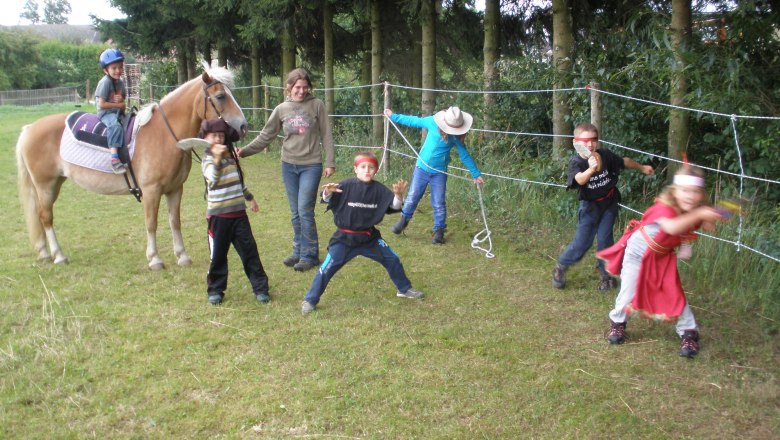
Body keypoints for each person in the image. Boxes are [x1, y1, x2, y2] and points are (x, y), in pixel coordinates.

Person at [596, 166, 726, 357]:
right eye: (685, 191)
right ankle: (618, 323)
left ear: (701, 194)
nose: (689, 196)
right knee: (628, 291)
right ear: (674, 191)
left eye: (695, 192)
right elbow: (673, 227)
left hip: (662, 257)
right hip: (637, 255)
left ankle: (689, 332)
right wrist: (700, 214)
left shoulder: (693, 210)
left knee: (674, 292)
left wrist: (715, 215)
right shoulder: (664, 207)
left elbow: (707, 226)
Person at [300, 151, 424, 315]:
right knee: (326, 268)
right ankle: (310, 299)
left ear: (376, 170)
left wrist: (399, 195)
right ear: (355, 169)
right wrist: (328, 192)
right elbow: (328, 199)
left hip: (369, 238)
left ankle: (404, 288)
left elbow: (393, 206)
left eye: (371, 167)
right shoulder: (345, 185)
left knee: (392, 259)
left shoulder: (379, 190)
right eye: (363, 167)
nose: (367, 170)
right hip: (344, 239)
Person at [238, 68, 335, 272]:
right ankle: (299, 250)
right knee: (295, 212)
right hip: (288, 165)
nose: (301, 91)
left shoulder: (317, 105)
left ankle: (310, 255)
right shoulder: (281, 109)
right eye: (297, 87)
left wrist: (330, 162)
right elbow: (266, 136)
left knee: (304, 210)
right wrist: (244, 152)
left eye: (305, 87)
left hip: (311, 164)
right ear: (289, 87)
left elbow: (326, 134)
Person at [552, 122, 655, 291]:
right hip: (590, 208)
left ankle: (606, 276)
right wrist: (591, 170)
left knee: (605, 241)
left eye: (593, 140)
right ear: (575, 143)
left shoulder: (605, 155)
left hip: (609, 204)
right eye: (584, 141)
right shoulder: (576, 163)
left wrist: (642, 167)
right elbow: (579, 180)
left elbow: (624, 161)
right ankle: (561, 266)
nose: (590, 144)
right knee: (582, 243)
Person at [384, 107, 484, 244]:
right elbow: (414, 121)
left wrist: (476, 174)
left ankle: (439, 231)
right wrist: (393, 116)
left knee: (438, 202)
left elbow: (464, 155)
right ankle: (403, 221)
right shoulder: (432, 122)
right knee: (413, 196)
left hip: (439, 173)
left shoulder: (455, 137)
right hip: (422, 169)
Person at [200, 118, 270, 305]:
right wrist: (216, 158)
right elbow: (212, 179)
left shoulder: (231, 157)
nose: (219, 139)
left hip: (239, 215)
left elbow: (238, 182)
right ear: (205, 138)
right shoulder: (207, 159)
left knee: (250, 252)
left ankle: (261, 288)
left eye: (221, 135)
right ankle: (215, 289)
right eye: (214, 135)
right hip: (218, 217)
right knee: (218, 256)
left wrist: (250, 198)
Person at [95, 48, 128, 174]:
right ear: (106, 70)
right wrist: (118, 105)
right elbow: (101, 104)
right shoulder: (105, 82)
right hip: (106, 113)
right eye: (114, 68)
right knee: (115, 126)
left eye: (120, 67)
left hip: (117, 110)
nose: (118, 71)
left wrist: (121, 100)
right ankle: (114, 159)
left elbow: (123, 99)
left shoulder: (120, 82)